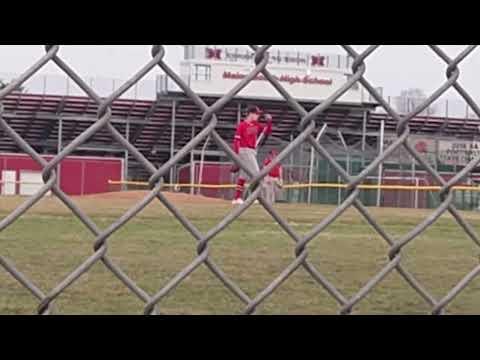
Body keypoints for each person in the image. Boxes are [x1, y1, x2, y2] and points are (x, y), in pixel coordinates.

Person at [231, 106, 273, 205]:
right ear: (250, 113)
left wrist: (269, 122)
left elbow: (267, 131)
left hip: (252, 151)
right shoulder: (242, 125)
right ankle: (254, 196)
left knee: (243, 176)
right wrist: (237, 155)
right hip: (244, 150)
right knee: (256, 173)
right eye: (256, 114)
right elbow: (236, 140)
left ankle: (237, 198)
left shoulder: (255, 125)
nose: (258, 116)